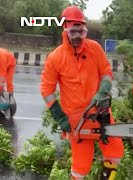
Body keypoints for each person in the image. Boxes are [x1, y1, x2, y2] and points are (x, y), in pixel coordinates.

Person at [40, 5, 124, 180]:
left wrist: (102, 91)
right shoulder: (56, 58)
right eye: (73, 32)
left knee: (115, 152)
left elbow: (107, 73)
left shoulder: (95, 49)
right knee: (80, 167)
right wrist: (60, 116)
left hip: (100, 112)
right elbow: (47, 90)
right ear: (65, 30)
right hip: (77, 120)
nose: (78, 36)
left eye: (81, 32)